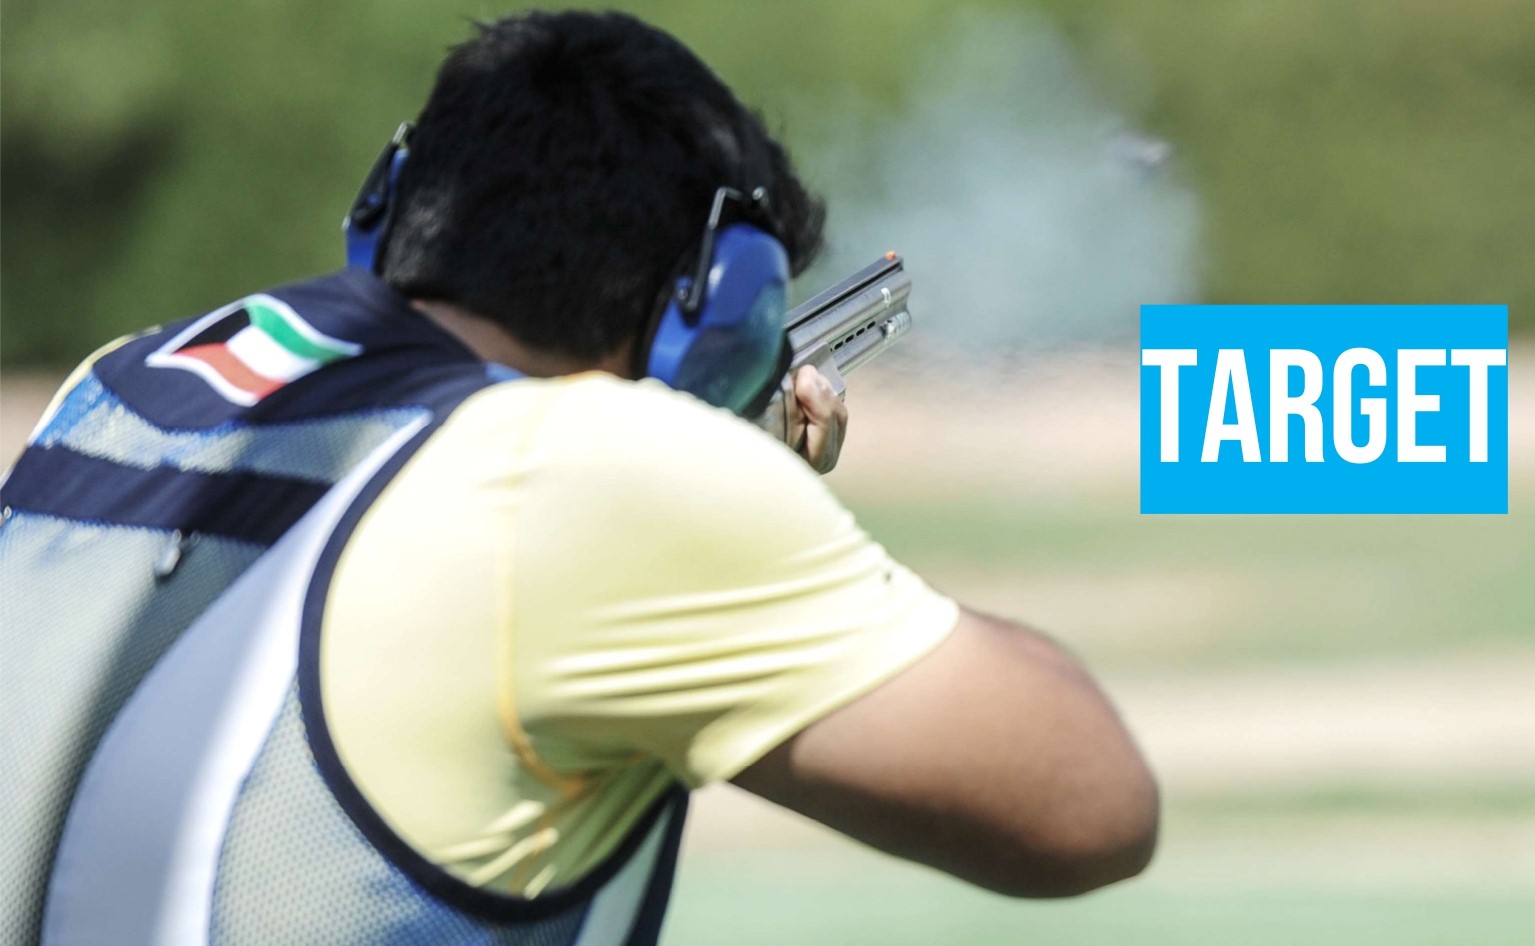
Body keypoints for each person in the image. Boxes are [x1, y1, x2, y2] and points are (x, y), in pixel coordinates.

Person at [0, 10, 1157, 945]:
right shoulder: (590, 480)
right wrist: (754, 500)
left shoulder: (136, 381)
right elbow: (1090, 805)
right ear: (723, 306)